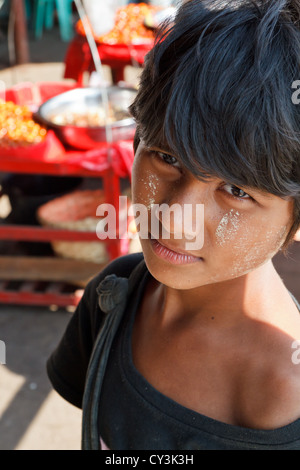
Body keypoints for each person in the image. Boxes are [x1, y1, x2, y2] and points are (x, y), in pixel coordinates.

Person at [47, 0, 300, 450]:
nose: (176, 221)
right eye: (167, 158)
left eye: (238, 191)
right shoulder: (113, 297)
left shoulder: (285, 394)